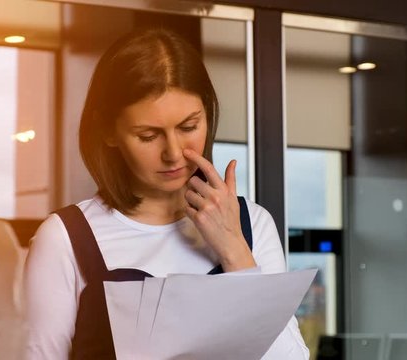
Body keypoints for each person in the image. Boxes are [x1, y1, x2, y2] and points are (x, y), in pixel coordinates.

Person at [24, 28, 309, 359]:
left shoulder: (252, 225)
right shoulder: (64, 238)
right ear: (108, 132)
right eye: (148, 135)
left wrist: (235, 251)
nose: (174, 153)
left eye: (189, 127)